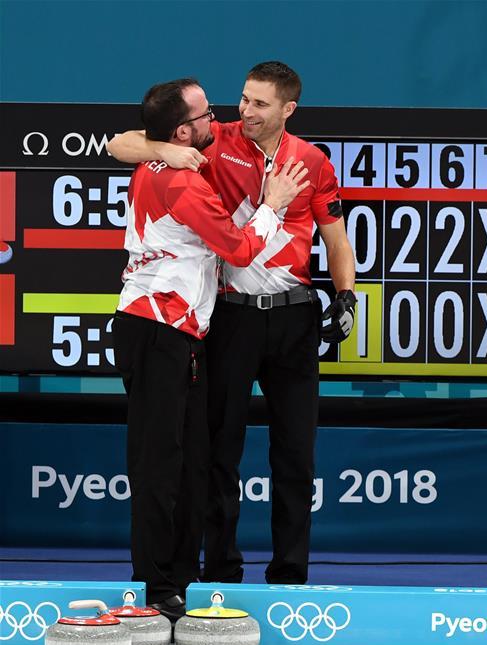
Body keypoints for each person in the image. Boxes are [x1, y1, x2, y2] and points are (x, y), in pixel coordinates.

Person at [109, 61, 357, 588]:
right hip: (229, 319)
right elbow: (120, 143)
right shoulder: (212, 142)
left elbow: (335, 235)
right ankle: (218, 572)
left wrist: (347, 294)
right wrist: (165, 150)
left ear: (288, 109)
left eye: (259, 103)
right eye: (243, 99)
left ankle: (289, 576)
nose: (245, 111)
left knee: (297, 456)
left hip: (295, 316)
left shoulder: (312, 160)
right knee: (215, 454)